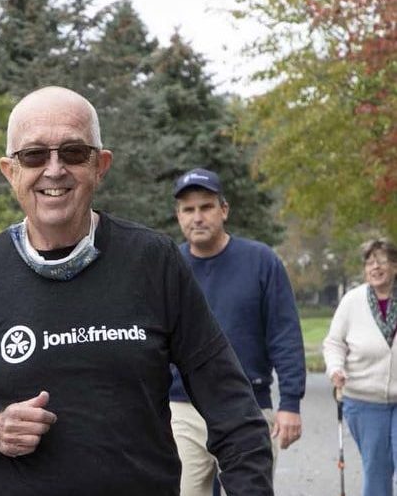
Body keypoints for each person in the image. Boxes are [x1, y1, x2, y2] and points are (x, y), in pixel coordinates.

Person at [0, 86, 272, 495]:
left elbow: (230, 403)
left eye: (73, 152)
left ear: (100, 165)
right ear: (9, 170)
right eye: (34, 155)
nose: (54, 169)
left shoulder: (152, 260)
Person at [168, 168, 306, 496]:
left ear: (224, 210)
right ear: (178, 216)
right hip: (182, 407)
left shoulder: (261, 261)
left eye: (206, 207)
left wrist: (290, 403)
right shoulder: (169, 265)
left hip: (248, 403)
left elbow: (284, 334)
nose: (197, 217)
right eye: (188, 210)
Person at [323, 238, 397, 496]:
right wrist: (335, 368)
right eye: (370, 262)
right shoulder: (352, 301)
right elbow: (334, 343)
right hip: (364, 401)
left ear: (395, 266)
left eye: (382, 261)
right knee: (376, 471)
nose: (375, 267)